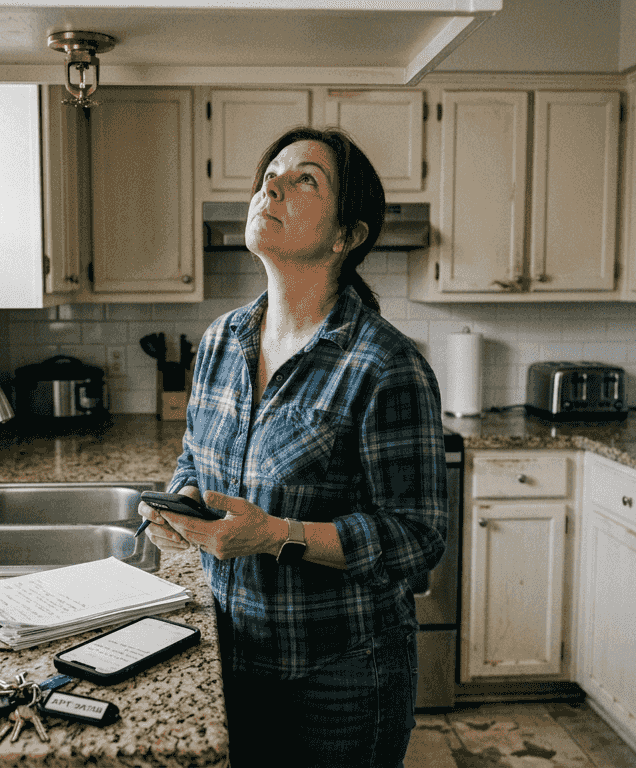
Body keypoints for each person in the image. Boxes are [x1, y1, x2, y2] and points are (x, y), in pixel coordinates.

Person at [138, 127, 448, 768]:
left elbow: (417, 538)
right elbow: (196, 457)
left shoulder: (384, 364)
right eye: (269, 174)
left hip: (339, 677)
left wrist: (277, 535)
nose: (271, 186)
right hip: (231, 653)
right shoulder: (221, 341)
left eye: (305, 179)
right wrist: (183, 504)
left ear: (346, 236)